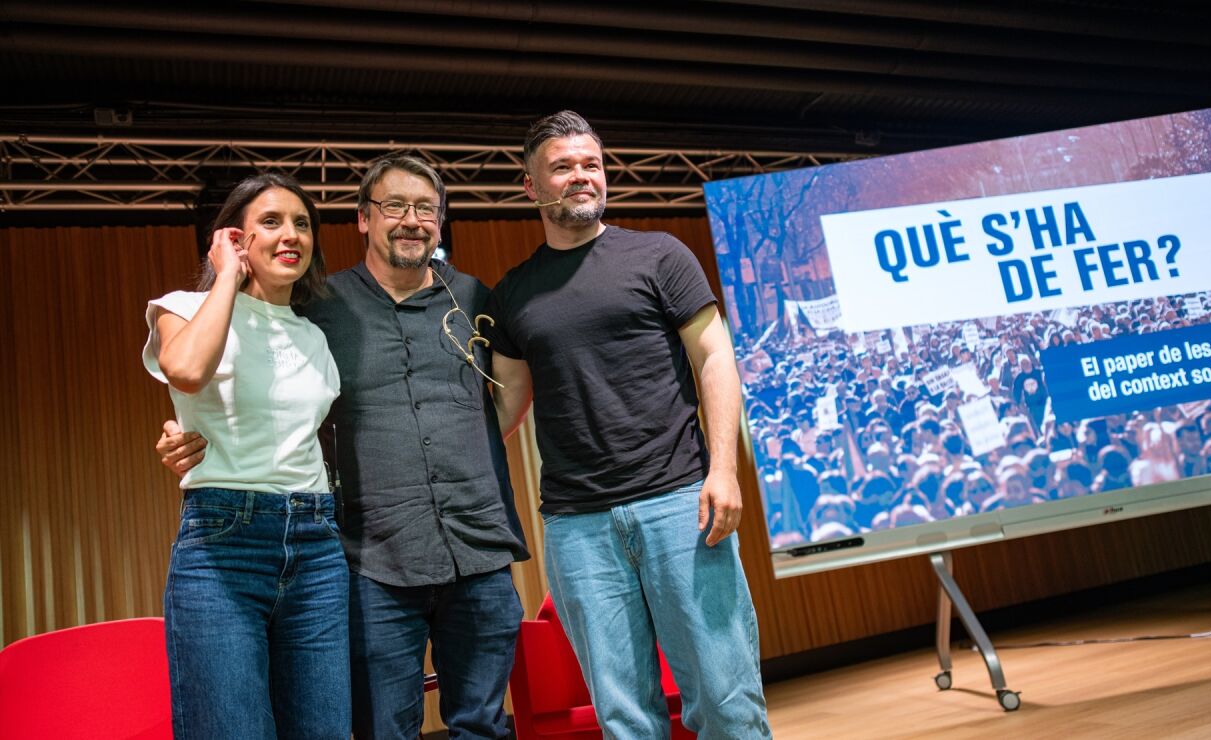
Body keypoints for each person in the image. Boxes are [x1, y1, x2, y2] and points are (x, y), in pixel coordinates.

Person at [156, 156, 529, 739]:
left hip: (387, 545)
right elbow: (198, 371)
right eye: (394, 207)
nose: (411, 220)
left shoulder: (462, 301)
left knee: (428, 726)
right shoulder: (296, 309)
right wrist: (183, 431)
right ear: (362, 219)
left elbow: (508, 397)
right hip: (313, 547)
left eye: (425, 208)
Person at [486, 110, 771, 738]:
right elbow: (504, 407)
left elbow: (715, 358)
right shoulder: (514, 294)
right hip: (576, 525)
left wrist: (722, 470)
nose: (581, 177)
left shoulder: (659, 255)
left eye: (591, 164)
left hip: (680, 505)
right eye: (562, 167)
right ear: (531, 186)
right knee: (625, 718)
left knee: (726, 701)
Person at [143, 173, 348, 738]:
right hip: (224, 540)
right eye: (271, 222)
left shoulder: (315, 337)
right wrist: (228, 276)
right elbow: (185, 372)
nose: (291, 235)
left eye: (302, 224)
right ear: (235, 238)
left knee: (324, 729)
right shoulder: (182, 307)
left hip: (316, 543)